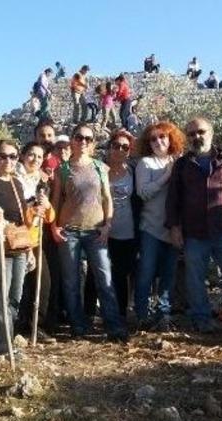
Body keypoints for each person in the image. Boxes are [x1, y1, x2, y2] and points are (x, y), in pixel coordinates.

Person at [166, 117, 222, 333]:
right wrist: (174, 227)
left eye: (201, 132)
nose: (197, 137)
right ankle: (201, 319)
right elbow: (173, 199)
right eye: (191, 134)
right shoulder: (182, 164)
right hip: (194, 232)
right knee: (195, 280)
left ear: (211, 133)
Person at [51, 124, 128, 341]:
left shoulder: (100, 168)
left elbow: (106, 198)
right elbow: (56, 200)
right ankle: (78, 325)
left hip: (96, 231)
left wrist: (107, 225)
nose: (83, 142)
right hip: (69, 231)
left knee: (105, 277)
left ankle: (113, 325)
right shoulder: (63, 169)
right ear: (73, 141)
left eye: (87, 138)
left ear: (92, 143)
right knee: (71, 280)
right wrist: (54, 226)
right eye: (79, 137)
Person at [0, 140, 50, 355]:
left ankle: (6, 337)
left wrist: (28, 250)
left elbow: (22, 218)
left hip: (18, 247)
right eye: (3, 156)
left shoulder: (16, 184)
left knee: (15, 296)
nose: (8, 160)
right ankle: (0, 345)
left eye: (13, 156)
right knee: (0, 298)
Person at [134, 121, 186, 329]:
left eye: (162, 137)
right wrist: (167, 175)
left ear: (170, 138)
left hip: (174, 229)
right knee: (146, 272)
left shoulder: (180, 162)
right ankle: (141, 314)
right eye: (153, 139)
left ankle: (163, 313)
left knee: (168, 273)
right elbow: (143, 192)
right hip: (151, 228)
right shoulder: (145, 164)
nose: (158, 141)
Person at [16, 142, 57, 342]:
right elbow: (16, 212)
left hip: (35, 238)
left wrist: (46, 206)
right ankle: (16, 325)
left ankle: (35, 325)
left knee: (43, 283)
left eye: (40, 157)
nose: (35, 160)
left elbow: (48, 217)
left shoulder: (41, 183)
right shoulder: (15, 179)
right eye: (31, 155)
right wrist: (31, 210)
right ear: (23, 155)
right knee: (18, 286)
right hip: (17, 239)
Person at [104, 130, 139, 319]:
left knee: (122, 272)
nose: (120, 149)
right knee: (98, 272)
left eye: (125, 147)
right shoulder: (100, 169)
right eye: (116, 145)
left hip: (128, 230)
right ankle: (91, 312)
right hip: (102, 230)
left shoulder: (134, 169)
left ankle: (121, 313)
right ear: (109, 148)